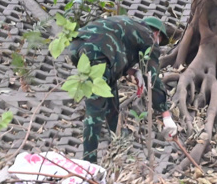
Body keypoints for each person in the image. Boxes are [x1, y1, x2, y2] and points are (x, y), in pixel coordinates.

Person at [66, 15, 178, 163]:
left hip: (76, 46)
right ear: (157, 33)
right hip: (98, 53)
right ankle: (89, 163)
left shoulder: (129, 24)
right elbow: (152, 76)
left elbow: (116, 51)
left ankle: (116, 133)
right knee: (95, 109)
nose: (157, 45)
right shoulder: (149, 37)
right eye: (160, 41)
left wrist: (133, 71)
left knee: (109, 86)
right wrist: (165, 114)